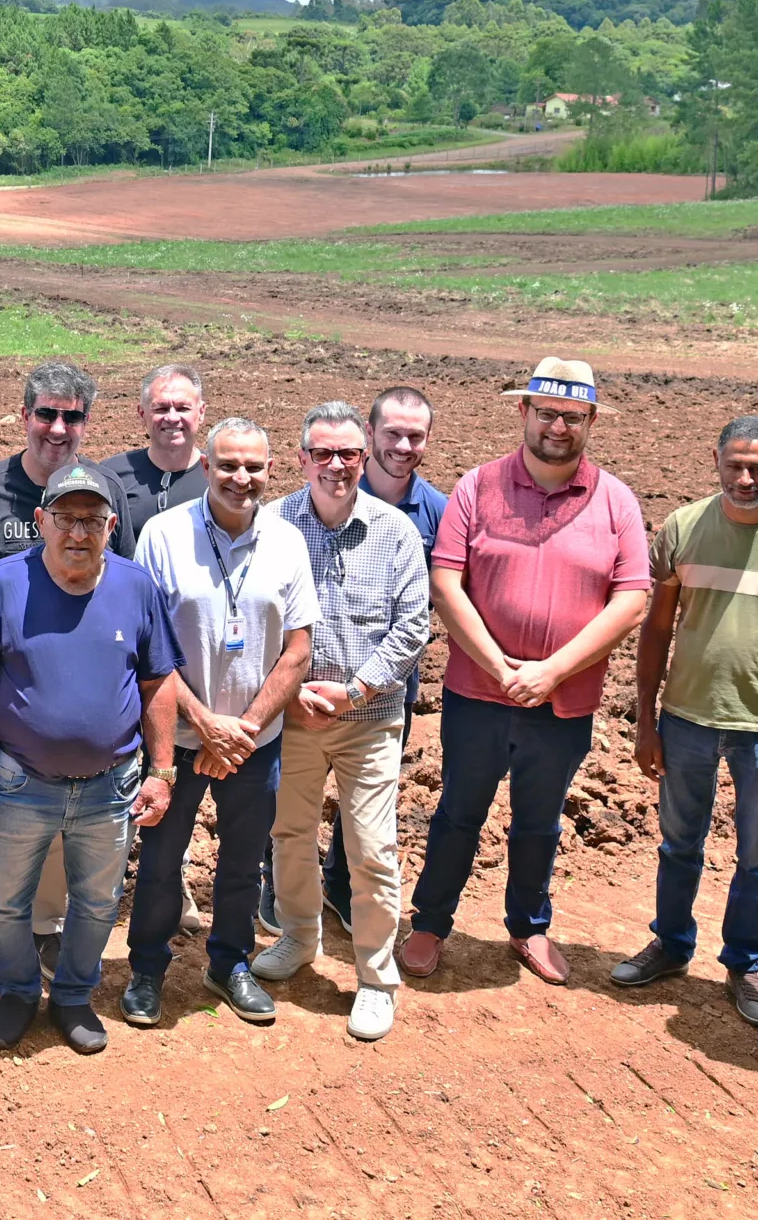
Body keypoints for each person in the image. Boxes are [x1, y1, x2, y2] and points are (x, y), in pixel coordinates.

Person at [402, 357, 649, 986]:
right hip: (477, 695)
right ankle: (430, 922)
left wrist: (551, 672)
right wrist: (499, 665)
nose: (558, 427)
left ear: (591, 419)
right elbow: (446, 581)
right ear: (524, 413)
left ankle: (528, 924)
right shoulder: (477, 487)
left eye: (572, 416)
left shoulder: (615, 501)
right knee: (459, 810)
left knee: (540, 819)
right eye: (547, 413)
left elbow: (631, 598)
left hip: (563, 702)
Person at [613, 415, 758, 1028]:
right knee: (678, 843)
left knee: (757, 856)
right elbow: (656, 629)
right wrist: (646, 720)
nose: (746, 477)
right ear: (716, 461)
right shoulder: (683, 529)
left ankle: (744, 963)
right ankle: (671, 944)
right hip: (686, 717)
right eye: (735, 466)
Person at [0, 461, 179, 1055]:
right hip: (21, 779)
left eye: (92, 520)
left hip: (112, 783)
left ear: (111, 526)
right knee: (5, 900)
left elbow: (159, 683)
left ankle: (75, 995)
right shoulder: (5, 584)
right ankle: (19, 992)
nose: (78, 532)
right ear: (40, 521)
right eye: (65, 518)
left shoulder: (136, 587)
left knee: (99, 899)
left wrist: (162, 771)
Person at [125, 417, 314, 1027]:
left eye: (253, 467)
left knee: (241, 859)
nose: (241, 478)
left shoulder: (287, 542)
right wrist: (206, 723)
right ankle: (147, 969)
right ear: (205, 468)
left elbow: (299, 649)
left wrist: (247, 727)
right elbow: (148, 649)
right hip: (177, 739)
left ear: (270, 470)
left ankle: (228, 962)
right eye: (228, 465)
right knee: (159, 861)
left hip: (254, 742)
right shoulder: (162, 535)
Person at [257, 403, 431, 1042]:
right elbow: (255, 619)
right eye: (323, 453)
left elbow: (413, 625)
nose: (337, 466)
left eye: (349, 454)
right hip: (294, 717)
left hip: (371, 719)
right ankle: (299, 940)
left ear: (365, 458)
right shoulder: (272, 524)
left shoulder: (394, 531)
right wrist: (290, 692)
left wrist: (356, 689)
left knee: (372, 848)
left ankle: (378, 979)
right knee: (290, 834)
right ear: (302, 459)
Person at [0, 360, 97, 988]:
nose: (57, 428)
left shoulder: (99, 491)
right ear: (25, 415)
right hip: (2, 688)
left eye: (71, 417)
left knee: (66, 815)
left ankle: (49, 932)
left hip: (78, 688)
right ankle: (2, 940)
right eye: (46, 414)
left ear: (85, 423)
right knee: (1, 817)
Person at [311, 386, 447, 934]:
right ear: (369, 437)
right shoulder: (330, 480)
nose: (403, 444)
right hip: (304, 687)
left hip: (386, 690)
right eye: (392, 432)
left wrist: (370, 682)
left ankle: (341, 888)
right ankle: (283, 886)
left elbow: (429, 607)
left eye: (415, 436)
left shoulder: (436, 510)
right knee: (289, 801)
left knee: (362, 810)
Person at [98, 364, 210, 559]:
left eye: (183, 408)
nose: (172, 418)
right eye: (161, 408)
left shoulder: (219, 476)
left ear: (201, 412)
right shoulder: (111, 476)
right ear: (142, 413)